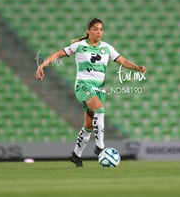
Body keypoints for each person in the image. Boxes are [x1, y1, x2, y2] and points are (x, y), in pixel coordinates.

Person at [36, 18, 146, 167]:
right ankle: (100, 147)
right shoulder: (79, 46)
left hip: (98, 89)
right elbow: (57, 54)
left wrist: (137, 67)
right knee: (99, 109)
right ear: (88, 31)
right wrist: (42, 65)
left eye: (101, 29)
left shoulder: (107, 47)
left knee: (88, 126)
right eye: (95, 29)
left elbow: (123, 61)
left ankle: (76, 155)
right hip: (83, 85)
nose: (99, 32)